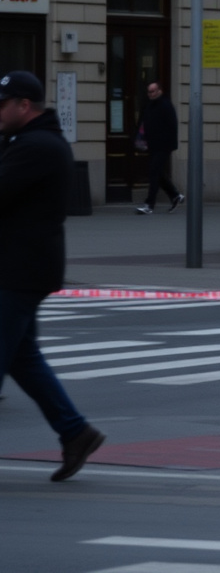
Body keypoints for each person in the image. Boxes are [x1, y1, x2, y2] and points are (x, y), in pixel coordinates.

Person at [0, 71, 105, 480]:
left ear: (24, 105)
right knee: (24, 358)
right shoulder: (30, 143)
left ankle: (76, 432)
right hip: (23, 267)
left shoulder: (36, 147)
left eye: (3, 104)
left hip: (17, 270)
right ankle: (75, 432)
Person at [135, 81, 184, 215]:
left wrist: (167, 143)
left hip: (163, 145)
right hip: (153, 145)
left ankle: (149, 204)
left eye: (153, 91)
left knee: (154, 173)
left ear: (159, 91)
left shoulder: (165, 105)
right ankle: (175, 195)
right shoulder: (149, 105)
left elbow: (171, 126)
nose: (150, 94)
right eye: (149, 92)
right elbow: (143, 122)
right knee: (157, 173)